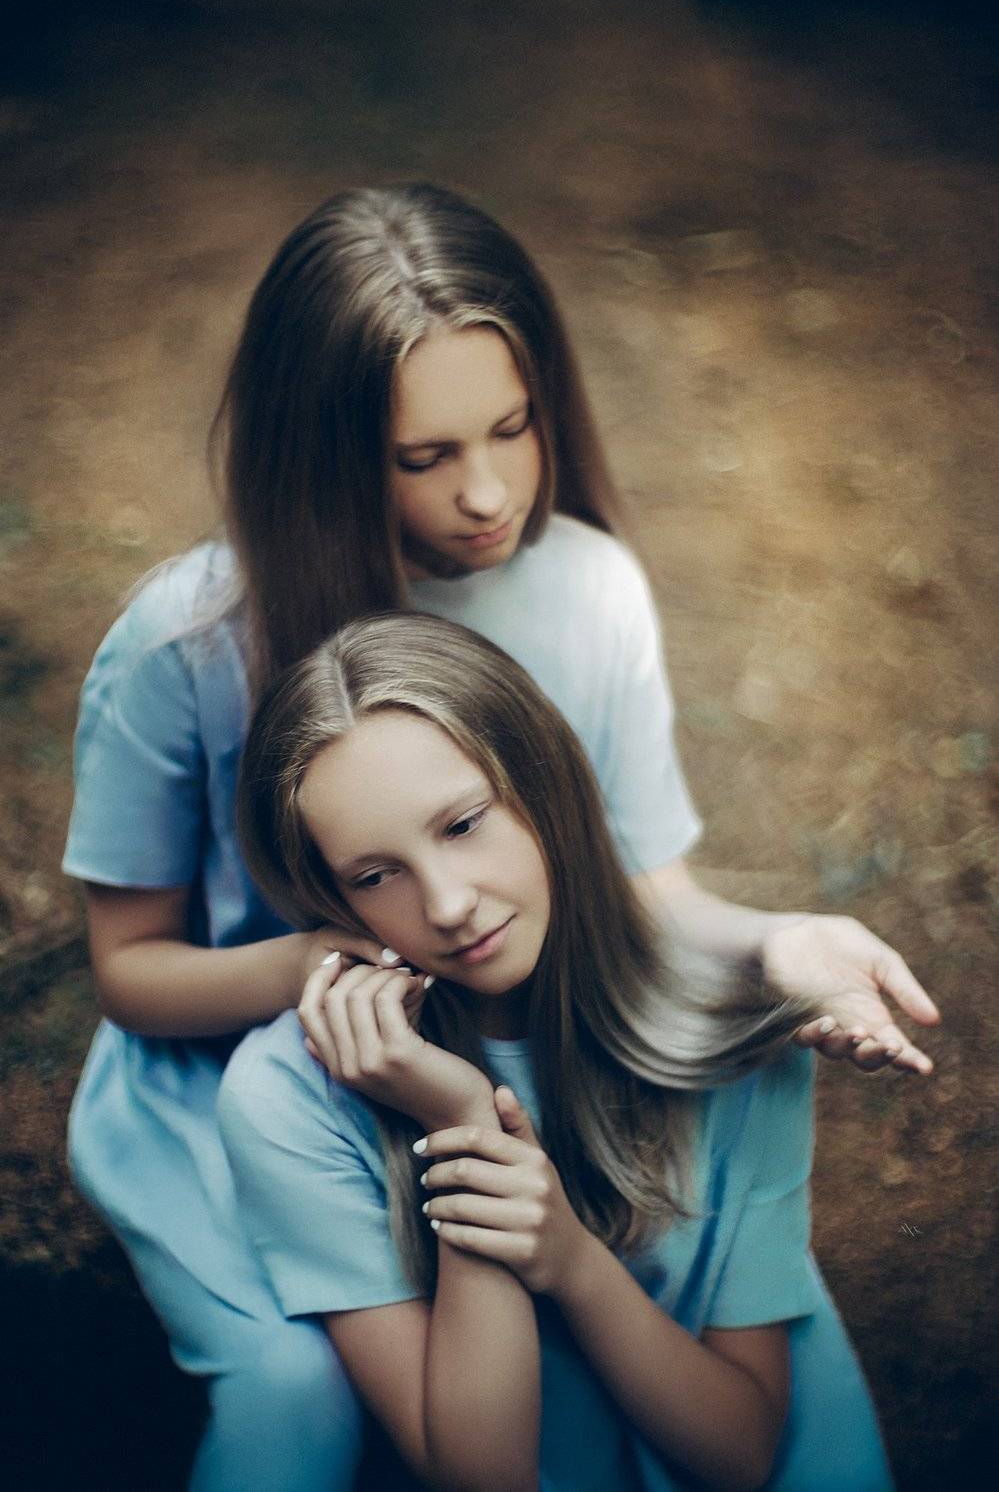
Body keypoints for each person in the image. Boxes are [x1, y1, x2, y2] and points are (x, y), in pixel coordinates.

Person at [63, 183, 933, 1490]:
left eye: (511, 429)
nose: (485, 494)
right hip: (248, 1073)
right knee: (296, 1400)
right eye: (421, 458)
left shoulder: (581, 586)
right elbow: (129, 968)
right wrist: (342, 971)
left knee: (770, 1392)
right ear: (324, 451)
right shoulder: (182, 646)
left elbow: (642, 893)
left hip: (518, 1032)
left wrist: (783, 942)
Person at [220, 609, 894, 1492]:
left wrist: (571, 1262)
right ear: (331, 899)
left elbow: (739, 1454)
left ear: (545, 787)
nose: (450, 904)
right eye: (375, 875)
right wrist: (461, 1123)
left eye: (463, 825)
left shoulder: (731, 1036)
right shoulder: (287, 1098)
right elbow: (482, 1476)